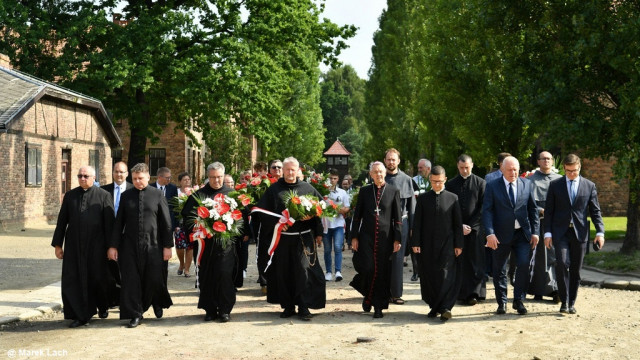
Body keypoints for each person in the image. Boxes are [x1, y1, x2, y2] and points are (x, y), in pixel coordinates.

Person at [251, 157, 325, 321]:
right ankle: (288, 306)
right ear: (282, 171)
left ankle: (304, 306)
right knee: (284, 272)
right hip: (283, 239)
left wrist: (318, 230)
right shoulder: (274, 190)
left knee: (303, 271)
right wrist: (278, 224)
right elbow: (262, 213)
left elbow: (320, 210)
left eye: (293, 169)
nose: (290, 173)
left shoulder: (308, 188)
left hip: (303, 238)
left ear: (298, 170)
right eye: (287, 170)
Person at [108, 163, 173, 328]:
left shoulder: (157, 194)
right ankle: (136, 314)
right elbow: (118, 223)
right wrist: (113, 246)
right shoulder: (126, 196)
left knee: (154, 277)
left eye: (141, 178)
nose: (137, 181)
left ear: (148, 177)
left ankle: (156, 301)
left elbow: (166, 223)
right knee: (131, 280)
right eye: (135, 179)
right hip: (129, 244)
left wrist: (167, 246)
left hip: (153, 244)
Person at [52, 166, 114, 328]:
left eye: (86, 176)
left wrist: (111, 247)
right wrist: (58, 245)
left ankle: (103, 305)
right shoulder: (70, 196)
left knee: (98, 279)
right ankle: (80, 314)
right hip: (74, 246)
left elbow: (109, 225)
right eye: (80, 176)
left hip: (97, 246)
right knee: (74, 279)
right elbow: (62, 221)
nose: (82, 178)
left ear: (94, 178)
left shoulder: (104, 196)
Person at [544, 154, 605, 314]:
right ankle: (563, 301)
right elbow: (549, 211)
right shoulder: (555, 185)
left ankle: (571, 302)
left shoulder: (589, 186)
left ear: (580, 168)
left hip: (580, 233)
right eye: (569, 171)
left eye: (575, 171)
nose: (572, 174)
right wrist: (547, 233)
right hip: (560, 232)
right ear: (564, 168)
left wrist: (600, 232)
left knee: (576, 269)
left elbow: (595, 211)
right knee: (562, 263)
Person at [182, 162, 239, 322]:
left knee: (224, 274)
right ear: (208, 177)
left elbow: (241, 217)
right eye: (213, 177)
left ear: (224, 176)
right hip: (205, 245)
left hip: (225, 245)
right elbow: (188, 218)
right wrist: (198, 228)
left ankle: (225, 310)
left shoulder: (231, 195)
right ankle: (209, 309)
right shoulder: (198, 196)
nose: (216, 180)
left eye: (219, 177)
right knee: (207, 276)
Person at [482, 156, 539, 315]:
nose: (513, 172)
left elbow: (533, 210)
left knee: (522, 265)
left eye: (515, 169)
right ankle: (502, 303)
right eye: (509, 169)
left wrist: (535, 232)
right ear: (502, 169)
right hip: (499, 235)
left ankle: (518, 300)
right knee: (499, 269)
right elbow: (487, 211)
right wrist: (490, 234)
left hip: (522, 234)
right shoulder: (493, 186)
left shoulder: (527, 184)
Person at [350, 162, 402, 318]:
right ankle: (368, 294)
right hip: (366, 237)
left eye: (381, 172)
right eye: (375, 172)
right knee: (368, 268)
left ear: (385, 173)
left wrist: (397, 239)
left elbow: (398, 219)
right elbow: (357, 216)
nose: (378, 175)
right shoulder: (365, 191)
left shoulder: (393, 191)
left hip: (386, 238)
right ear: (371, 174)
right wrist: (354, 237)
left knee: (382, 272)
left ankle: (377, 305)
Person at [412, 166, 464, 321]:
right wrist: (415, 242)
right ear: (430, 180)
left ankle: (445, 307)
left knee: (446, 275)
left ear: (445, 180)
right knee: (430, 276)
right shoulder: (422, 199)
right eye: (434, 182)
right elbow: (417, 223)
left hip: (447, 244)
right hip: (427, 245)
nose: (437, 185)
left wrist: (459, 244)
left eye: (440, 182)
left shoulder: (453, 198)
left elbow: (457, 224)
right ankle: (435, 306)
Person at [446, 155, 486, 305]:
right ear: (457, 166)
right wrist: (460, 226)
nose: (464, 170)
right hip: (457, 229)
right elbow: (449, 206)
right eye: (462, 167)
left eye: (467, 167)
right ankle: (460, 293)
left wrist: (471, 225)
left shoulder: (481, 183)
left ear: (472, 165)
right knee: (459, 260)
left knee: (475, 260)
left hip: (475, 230)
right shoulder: (451, 184)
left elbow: (483, 207)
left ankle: (475, 293)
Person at [527, 151, 562, 301]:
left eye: (549, 159)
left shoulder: (560, 180)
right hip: (537, 222)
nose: (546, 161)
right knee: (539, 256)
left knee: (555, 255)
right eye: (543, 159)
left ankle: (556, 290)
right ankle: (538, 289)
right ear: (538, 161)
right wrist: (539, 210)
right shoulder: (530, 180)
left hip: (555, 223)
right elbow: (525, 201)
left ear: (553, 161)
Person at [384, 148, 415, 305]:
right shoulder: (379, 177)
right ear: (384, 161)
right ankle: (382, 293)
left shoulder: (406, 180)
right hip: (382, 224)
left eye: (393, 159)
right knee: (381, 259)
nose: (391, 162)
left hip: (401, 224)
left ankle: (396, 294)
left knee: (397, 259)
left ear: (398, 161)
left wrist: (412, 229)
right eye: (388, 159)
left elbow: (411, 206)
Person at [101, 162, 134, 307]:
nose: (119, 174)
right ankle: (111, 300)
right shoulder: (103, 191)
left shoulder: (134, 190)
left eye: (122, 172)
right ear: (112, 172)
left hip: (128, 236)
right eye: (116, 171)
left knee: (127, 269)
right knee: (109, 270)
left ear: (127, 174)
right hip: (108, 236)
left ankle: (126, 299)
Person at [484, 152, 512, 280]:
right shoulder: (490, 178)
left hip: (511, 219)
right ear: (501, 164)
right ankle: (493, 270)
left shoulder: (515, 175)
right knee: (495, 247)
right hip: (495, 217)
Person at [322, 169, 351, 282]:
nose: (332, 180)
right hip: (326, 224)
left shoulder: (342, 192)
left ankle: (338, 271)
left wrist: (339, 210)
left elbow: (347, 207)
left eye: (334, 178)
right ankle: (328, 272)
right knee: (327, 249)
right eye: (330, 178)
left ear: (338, 179)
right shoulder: (323, 191)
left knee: (338, 247)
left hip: (338, 224)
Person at [410, 158, 432, 282]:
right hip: (417, 214)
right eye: (418, 168)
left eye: (420, 168)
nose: (418, 170)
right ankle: (416, 271)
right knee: (415, 242)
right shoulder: (414, 181)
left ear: (428, 169)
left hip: (431, 216)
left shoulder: (434, 179)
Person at [175, 172, 195, 278]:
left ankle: (187, 269)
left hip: (191, 224)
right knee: (179, 246)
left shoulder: (194, 192)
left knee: (190, 247)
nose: (187, 181)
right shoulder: (176, 193)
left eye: (188, 179)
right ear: (180, 182)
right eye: (184, 180)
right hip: (180, 223)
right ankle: (181, 264)